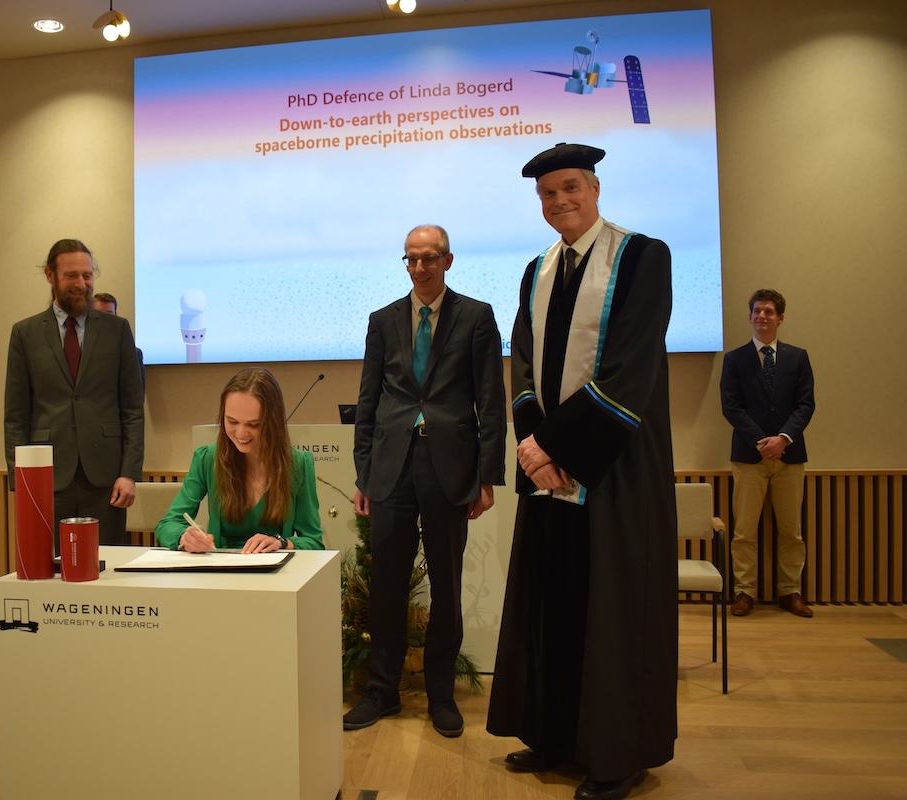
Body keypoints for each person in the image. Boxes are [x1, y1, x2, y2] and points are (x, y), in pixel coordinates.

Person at [486, 143, 677, 800]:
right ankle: (553, 734)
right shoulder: (536, 271)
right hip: (551, 470)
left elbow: (630, 369)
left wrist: (555, 447)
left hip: (614, 465)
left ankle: (617, 756)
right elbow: (523, 365)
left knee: (611, 607)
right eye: (547, 193)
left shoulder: (642, 258)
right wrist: (533, 443)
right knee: (554, 598)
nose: (560, 201)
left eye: (570, 187)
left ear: (593, 188)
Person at [344, 224, 507, 739]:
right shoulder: (383, 320)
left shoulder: (477, 317)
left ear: (448, 260)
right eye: (411, 259)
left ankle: (441, 695)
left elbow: (490, 400)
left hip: (450, 470)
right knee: (387, 587)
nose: (420, 267)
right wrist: (364, 473)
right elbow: (367, 404)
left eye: (430, 258)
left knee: (447, 586)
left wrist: (488, 477)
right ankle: (382, 691)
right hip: (390, 470)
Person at [4, 239, 145, 547]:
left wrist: (129, 473)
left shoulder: (117, 330)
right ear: (49, 275)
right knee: (50, 568)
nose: (81, 284)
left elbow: (133, 409)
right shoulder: (24, 334)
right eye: (72, 276)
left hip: (106, 477)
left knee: (107, 569)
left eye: (87, 275)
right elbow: (15, 415)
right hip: (46, 476)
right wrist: (21, 479)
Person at [154, 367, 324, 552]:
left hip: (276, 575)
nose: (241, 434)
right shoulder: (207, 458)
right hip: (220, 573)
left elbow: (313, 542)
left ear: (273, 422)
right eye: (232, 422)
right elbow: (167, 525)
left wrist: (281, 543)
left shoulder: (298, 463)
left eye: (254, 424)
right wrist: (184, 537)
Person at [721, 289, 815, 618]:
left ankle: (790, 592)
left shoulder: (798, 357)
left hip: (790, 457)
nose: (762, 316)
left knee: (791, 532)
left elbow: (806, 404)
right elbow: (731, 407)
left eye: (769, 311)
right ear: (749, 317)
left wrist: (783, 439)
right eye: (757, 311)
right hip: (749, 456)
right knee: (744, 531)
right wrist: (763, 441)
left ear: (780, 318)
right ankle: (744, 592)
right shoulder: (734, 359)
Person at [94, 291, 145, 393]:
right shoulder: (79, 350)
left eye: (109, 315)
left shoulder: (133, 354)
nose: (104, 320)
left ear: (116, 316)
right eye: (99, 314)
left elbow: (136, 395)